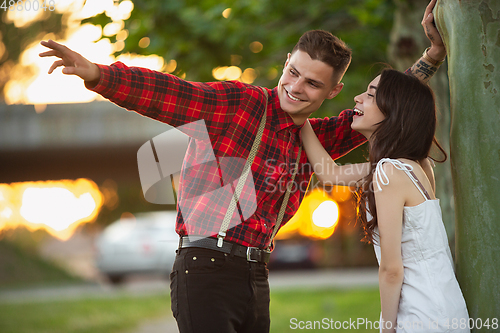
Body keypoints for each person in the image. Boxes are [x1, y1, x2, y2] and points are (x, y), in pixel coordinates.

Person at [39, 1, 446, 331]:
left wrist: (430, 57)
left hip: (257, 276)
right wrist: (97, 74)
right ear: (286, 62)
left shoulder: (314, 136)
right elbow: (170, 93)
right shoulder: (240, 104)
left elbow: (384, 108)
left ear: (334, 89)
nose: (295, 87)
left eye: (312, 84)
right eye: (293, 73)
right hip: (203, 270)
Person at [301, 68, 469, 332]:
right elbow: (329, 173)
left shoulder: (390, 172)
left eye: (370, 95)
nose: (357, 98)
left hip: (422, 315)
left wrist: (387, 328)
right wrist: (299, 115)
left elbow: (391, 269)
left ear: (394, 110)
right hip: (442, 308)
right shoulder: (413, 165)